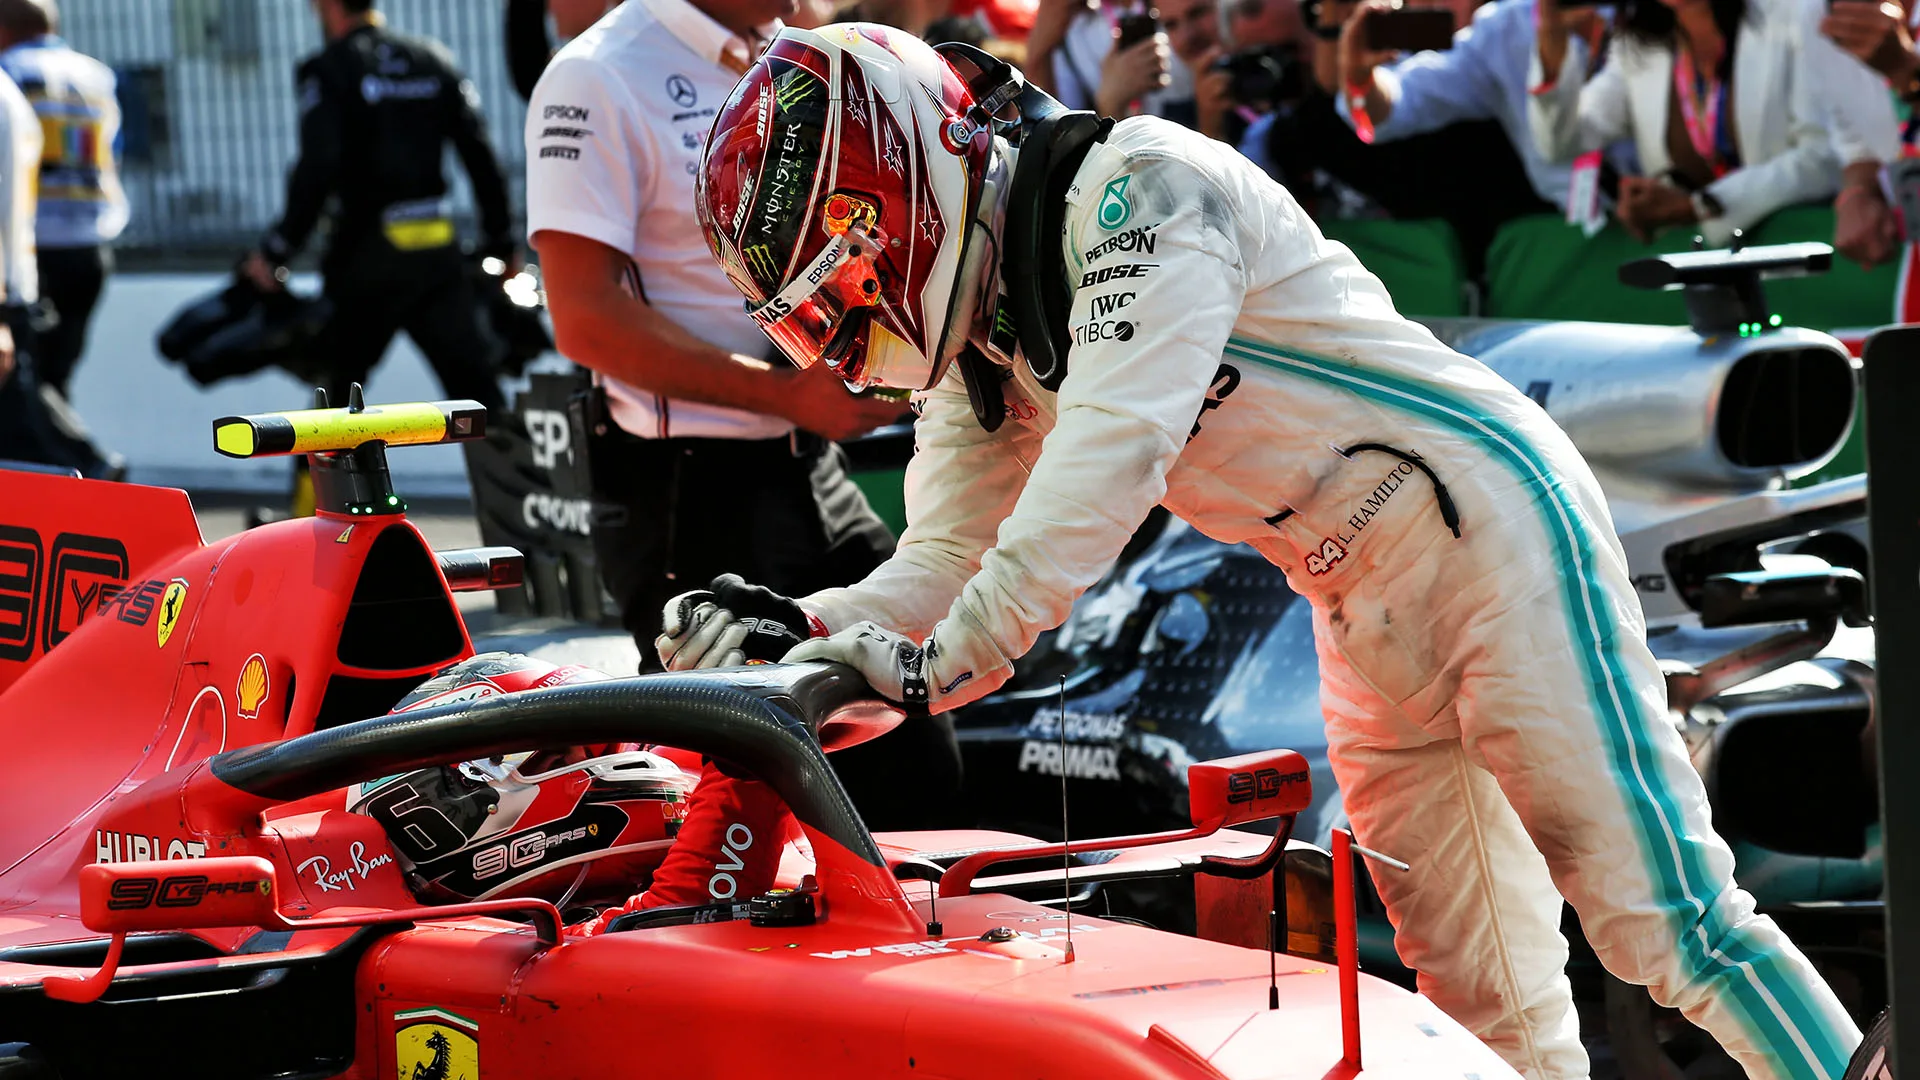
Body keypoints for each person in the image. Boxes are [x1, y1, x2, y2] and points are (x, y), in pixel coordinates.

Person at [677, 25, 1862, 1080]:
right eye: (818, 318)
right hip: (1352, 593)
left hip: (1492, 526)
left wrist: (934, 665)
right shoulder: (982, 335)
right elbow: (939, 562)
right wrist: (806, 633)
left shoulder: (1139, 190)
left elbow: (1111, 460)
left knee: (1671, 928)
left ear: (900, 189)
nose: (852, 336)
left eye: (847, 286)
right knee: (1476, 1003)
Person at [522, 0, 955, 828]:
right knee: (747, 814)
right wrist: (789, 392)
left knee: (917, 765)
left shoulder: (789, 44)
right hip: (692, 497)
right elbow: (583, 320)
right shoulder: (594, 73)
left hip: (806, 462)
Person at [242, 0, 512, 416]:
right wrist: (503, 244)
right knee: (481, 401)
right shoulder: (432, 60)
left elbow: (317, 166)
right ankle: (527, 483)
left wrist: (278, 250)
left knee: (332, 407)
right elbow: (482, 157)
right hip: (436, 261)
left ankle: (316, 483)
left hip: (363, 263)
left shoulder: (330, 68)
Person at [1530, 0, 1839, 245]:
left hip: (1805, 257)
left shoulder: (1795, 10)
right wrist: (1550, 41)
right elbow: (1562, 144)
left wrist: (1698, 206)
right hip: (1705, 278)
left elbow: (1825, 157)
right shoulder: (1637, 43)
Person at [1336, 0, 1595, 209]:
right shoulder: (1502, 28)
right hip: (1578, 227)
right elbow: (1398, 104)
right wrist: (1358, 75)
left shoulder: (1629, 18)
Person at [0, 0, 124, 401]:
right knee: (56, 377)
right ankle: (75, 459)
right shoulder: (96, 75)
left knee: (27, 386)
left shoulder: (9, 74)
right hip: (90, 243)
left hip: (34, 253)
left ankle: (84, 460)